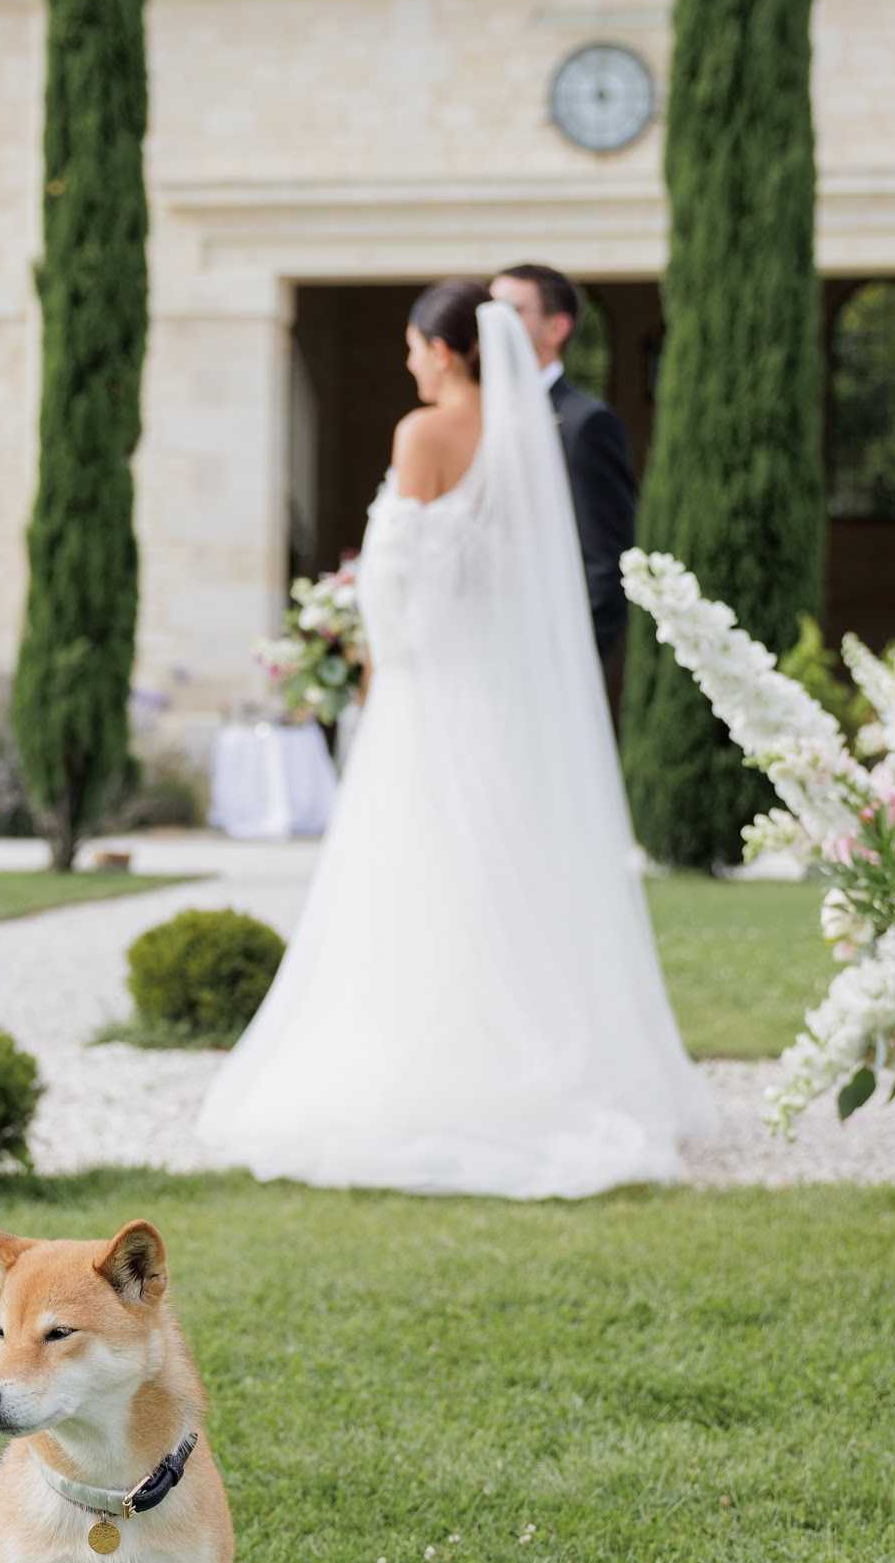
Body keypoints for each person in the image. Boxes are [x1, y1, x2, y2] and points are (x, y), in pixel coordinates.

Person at [192, 281, 714, 1199]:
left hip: (429, 698)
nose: (406, 363)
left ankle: (427, 1074)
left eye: (412, 347)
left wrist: (361, 650)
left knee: (412, 878)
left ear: (443, 351)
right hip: (504, 701)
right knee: (505, 880)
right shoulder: (526, 446)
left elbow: (397, 593)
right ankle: (532, 1064)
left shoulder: (423, 434)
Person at [490, 263, 636, 694]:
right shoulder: (477, 416)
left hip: (546, 668)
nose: (493, 326)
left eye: (511, 311)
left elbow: (605, 563)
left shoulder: (583, 423)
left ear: (556, 328)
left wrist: (567, 664)